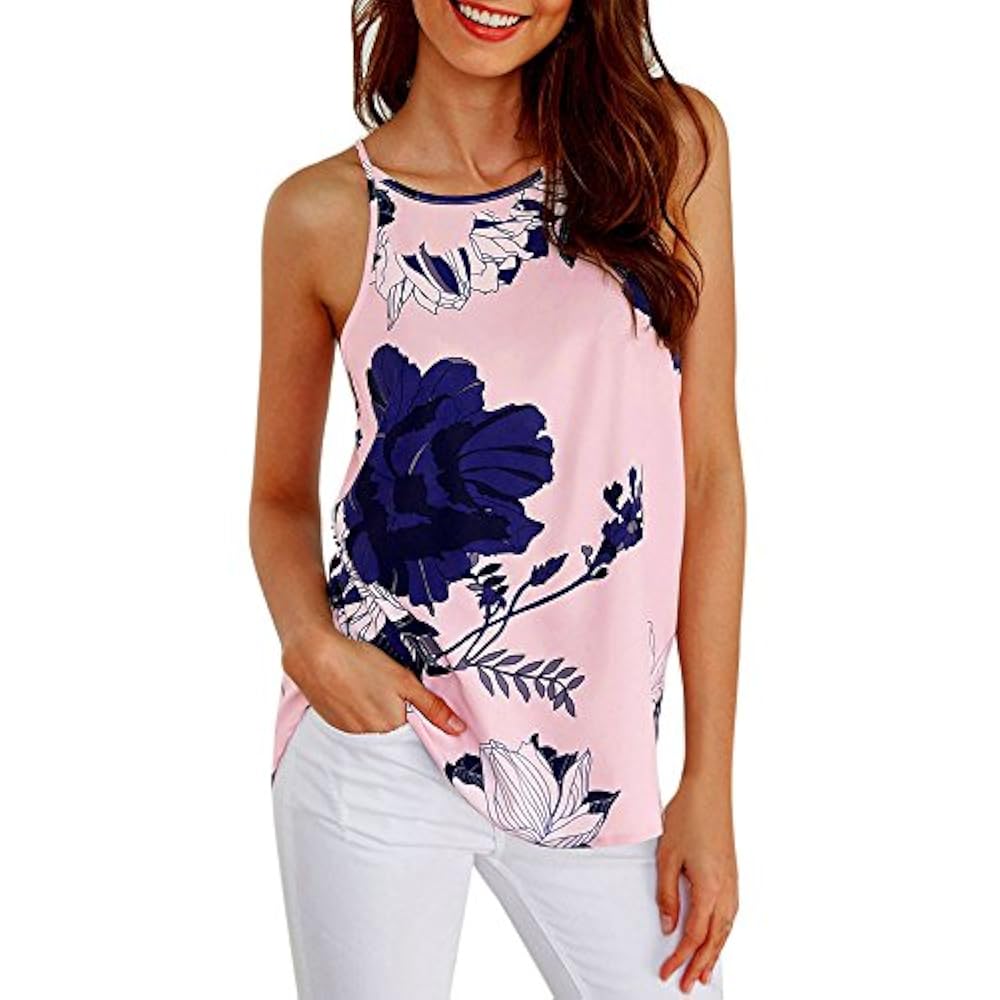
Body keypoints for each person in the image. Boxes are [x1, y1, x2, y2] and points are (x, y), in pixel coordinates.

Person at [249, 1, 744, 996]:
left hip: (596, 771)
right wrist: (309, 643)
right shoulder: (325, 213)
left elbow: (710, 474)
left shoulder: (666, 149)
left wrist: (707, 781)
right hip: (385, 734)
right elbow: (279, 494)